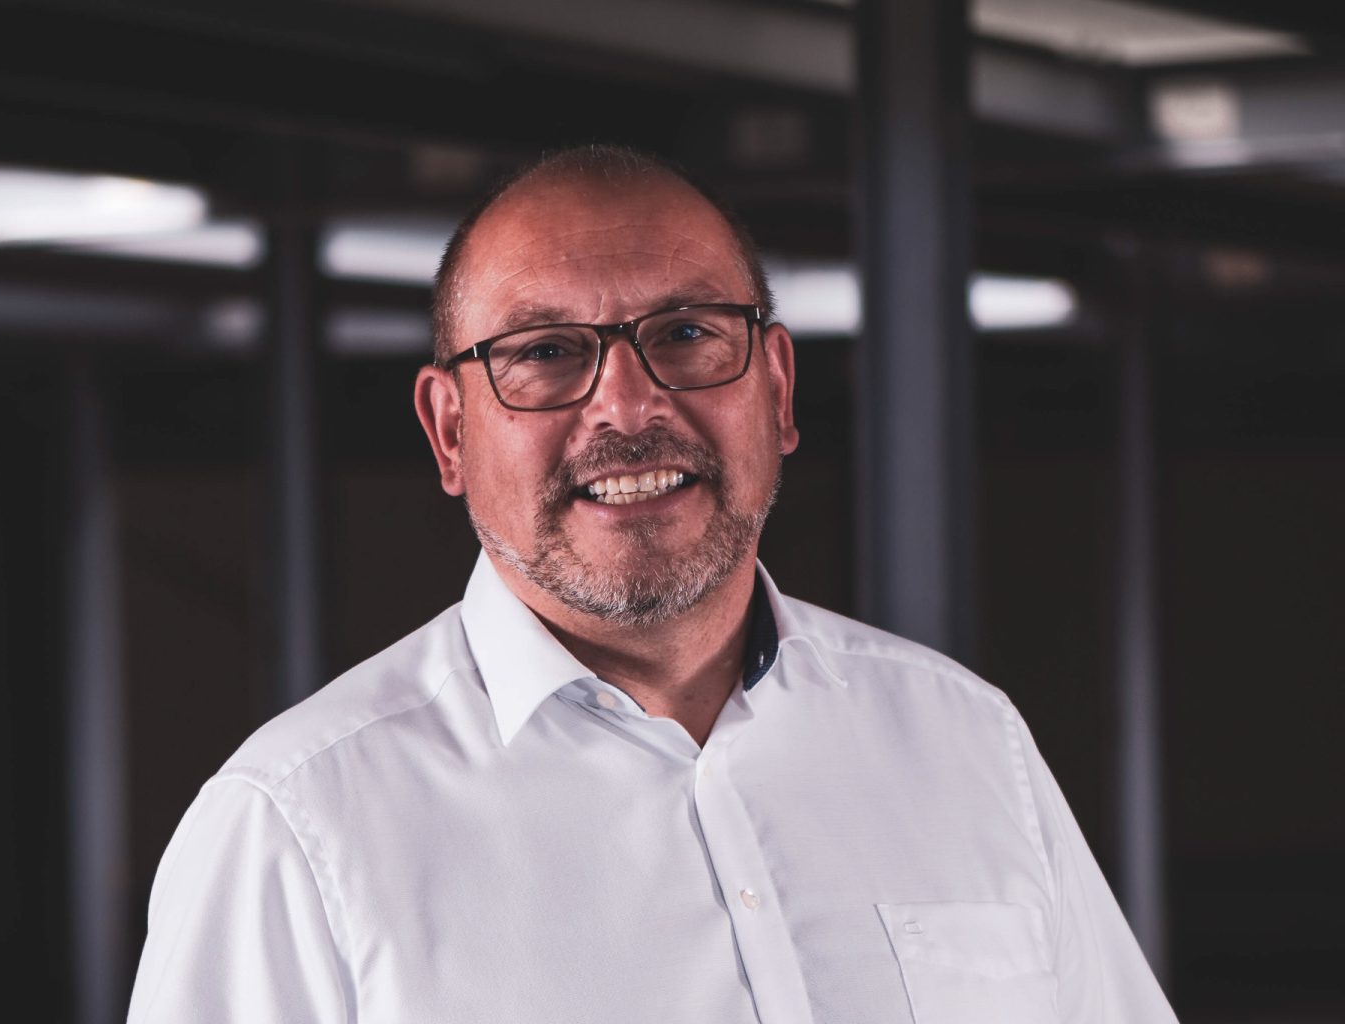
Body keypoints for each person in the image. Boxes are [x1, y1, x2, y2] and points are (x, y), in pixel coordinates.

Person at [126, 145, 1177, 1023]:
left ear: (777, 389)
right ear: (449, 431)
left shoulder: (968, 744)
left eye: (686, 335)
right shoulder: (294, 829)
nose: (627, 408)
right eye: (545, 352)